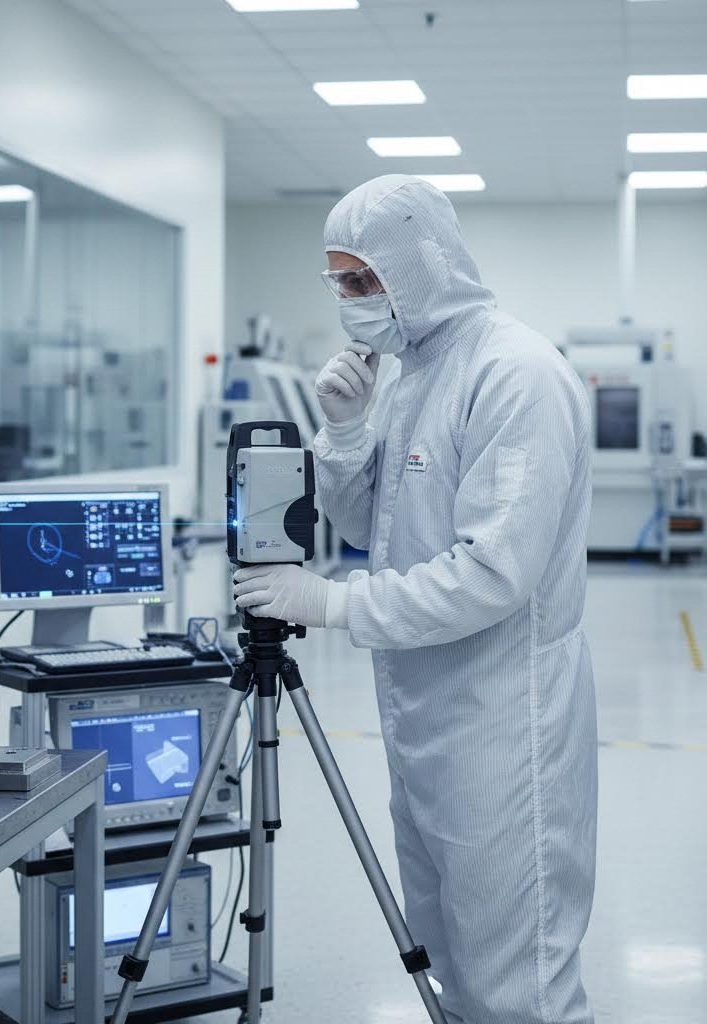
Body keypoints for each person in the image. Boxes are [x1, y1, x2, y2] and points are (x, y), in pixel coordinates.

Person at [232, 175, 597, 1024]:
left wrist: (332, 605)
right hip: (424, 712)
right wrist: (350, 432)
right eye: (340, 284)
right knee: (451, 959)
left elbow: (492, 575)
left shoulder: (516, 374)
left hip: (504, 721)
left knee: (520, 982)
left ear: (422, 263)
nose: (354, 301)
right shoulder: (405, 373)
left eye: (364, 279)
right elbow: (373, 526)